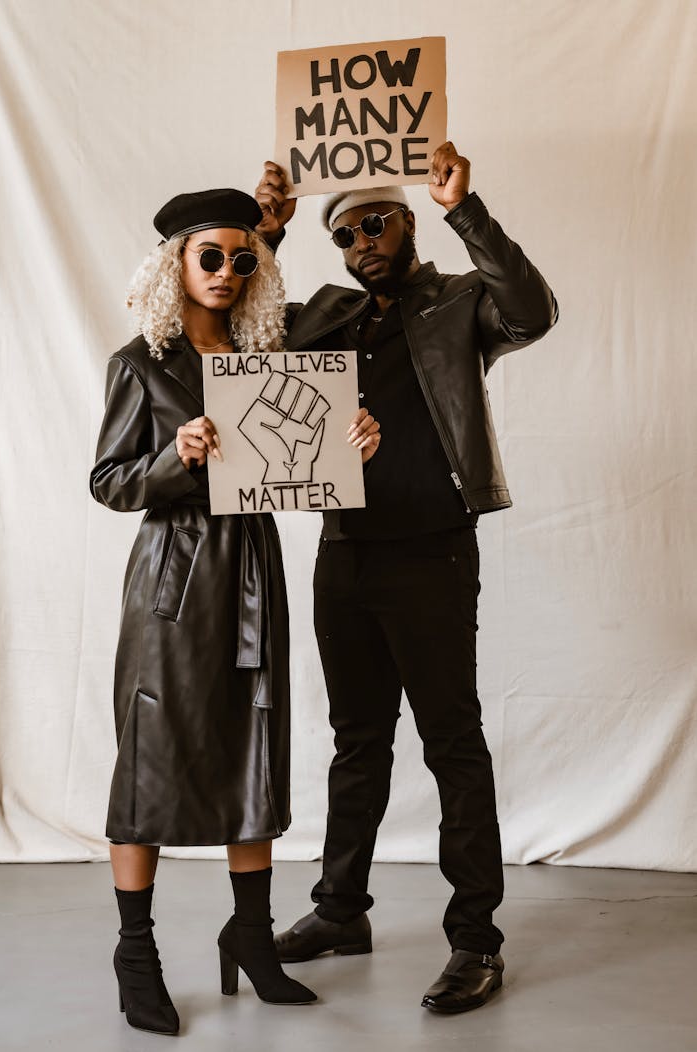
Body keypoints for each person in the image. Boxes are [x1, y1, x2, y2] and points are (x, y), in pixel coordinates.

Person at [254, 142, 558, 1014]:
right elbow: (244, 347)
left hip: (430, 549)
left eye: (376, 221)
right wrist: (267, 238)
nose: (362, 240)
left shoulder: (459, 301)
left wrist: (471, 210)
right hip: (341, 551)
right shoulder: (323, 314)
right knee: (356, 740)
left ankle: (476, 940)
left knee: (450, 741)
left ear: (408, 222)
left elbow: (533, 313)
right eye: (345, 231)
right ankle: (340, 912)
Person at [90, 187, 381, 1034]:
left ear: (259, 271)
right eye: (208, 255)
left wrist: (353, 434)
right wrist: (175, 460)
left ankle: (250, 935)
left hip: (252, 571)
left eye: (241, 258)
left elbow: (298, 458)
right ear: (174, 263)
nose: (224, 272)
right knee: (151, 758)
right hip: (174, 585)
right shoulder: (141, 362)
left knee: (253, 748)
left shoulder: (268, 358)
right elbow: (109, 482)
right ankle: (135, 953)